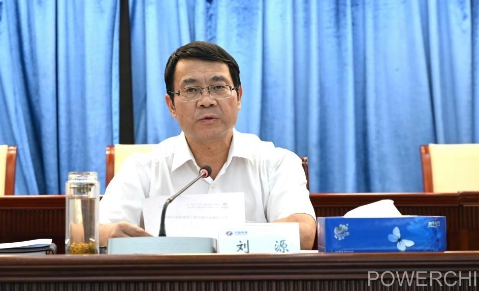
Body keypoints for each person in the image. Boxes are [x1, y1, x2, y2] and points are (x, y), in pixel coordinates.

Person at [99, 41, 316, 249]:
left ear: (239, 97)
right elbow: (91, 231)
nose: (206, 101)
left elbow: (304, 233)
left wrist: (229, 238)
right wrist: (108, 235)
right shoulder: (142, 168)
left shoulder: (277, 162)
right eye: (191, 90)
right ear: (171, 105)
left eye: (219, 87)